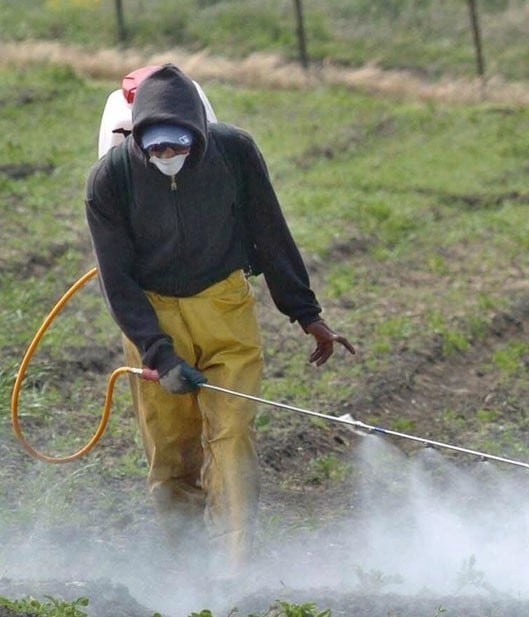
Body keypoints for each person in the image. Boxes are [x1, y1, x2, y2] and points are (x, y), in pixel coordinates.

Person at [84, 63, 355, 579]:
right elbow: (117, 282)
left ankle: (233, 572)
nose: (167, 157)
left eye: (178, 147)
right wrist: (160, 357)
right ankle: (188, 569)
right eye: (156, 149)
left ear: (199, 136)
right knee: (171, 449)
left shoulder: (235, 153)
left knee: (230, 433)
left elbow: (270, 231)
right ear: (138, 141)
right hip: (152, 314)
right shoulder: (110, 180)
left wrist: (306, 313)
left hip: (224, 306)